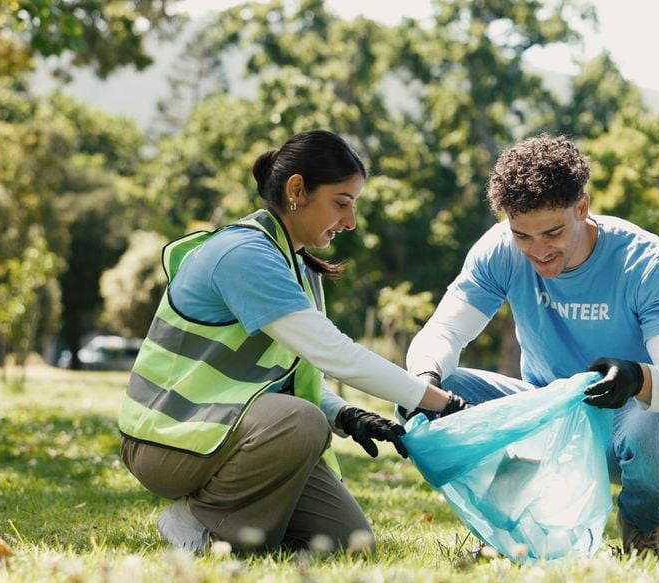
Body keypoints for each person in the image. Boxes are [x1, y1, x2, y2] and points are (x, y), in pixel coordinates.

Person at [118, 129, 468, 555]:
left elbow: (292, 373)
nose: (350, 222)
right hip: (169, 441)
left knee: (348, 545)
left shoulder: (296, 266)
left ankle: (235, 528)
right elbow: (336, 354)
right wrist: (440, 403)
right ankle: (195, 521)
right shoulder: (243, 254)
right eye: (341, 203)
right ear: (297, 190)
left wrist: (346, 415)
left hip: (221, 432)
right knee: (301, 421)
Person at [405, 134, 659, 558]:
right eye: (522, 236)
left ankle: (641, 525)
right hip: (540, 413)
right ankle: (513, 524)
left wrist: (637, 376)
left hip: (624, 423)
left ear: (581, 208)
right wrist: (424, 380)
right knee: (423, 391)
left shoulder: (647, 263)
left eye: (552, 232)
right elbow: (444, 333)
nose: (539, 251)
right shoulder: (499, 250)